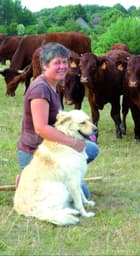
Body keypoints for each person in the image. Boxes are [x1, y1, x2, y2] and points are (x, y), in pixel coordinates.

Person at [16, 42, 99, 198]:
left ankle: (55, 179)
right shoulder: (40, 89)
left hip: (52, 148)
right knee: (81, 194)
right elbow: (41, 128)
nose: (62, 66)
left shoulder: (54, 85)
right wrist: (73, 143)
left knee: (91, 148)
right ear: (45, 66)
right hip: (36, 152)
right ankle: (29, 180)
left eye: (64, 62)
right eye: (57, 63)